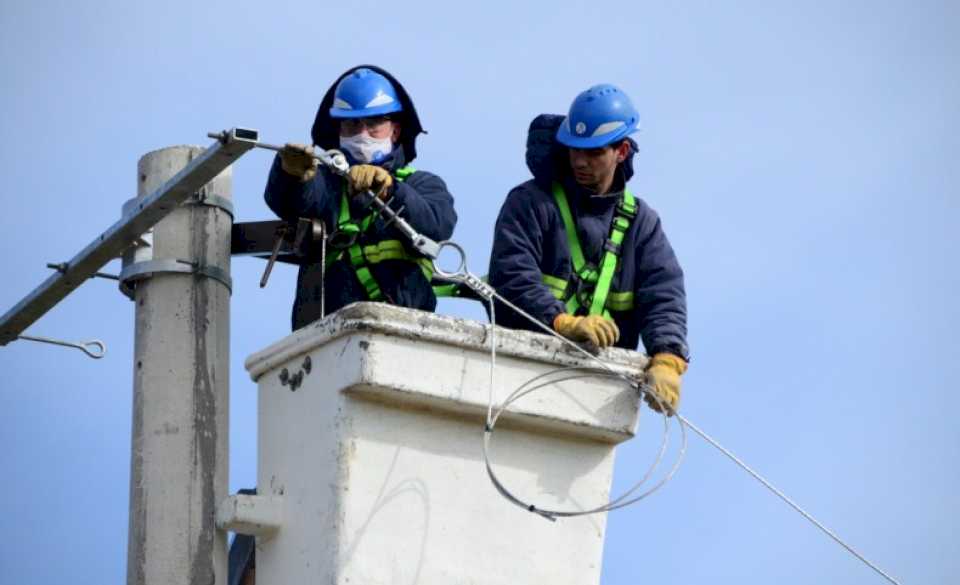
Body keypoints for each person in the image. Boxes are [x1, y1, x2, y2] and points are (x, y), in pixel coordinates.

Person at [487, 84, 689, 413]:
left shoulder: (641, 224)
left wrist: (667, 358)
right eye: (574, 148)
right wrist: (561, 321)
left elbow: (663, 293)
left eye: (593, 152)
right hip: (523, 373)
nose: (580, 161)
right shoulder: (531, 204)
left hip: (596, 390)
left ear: (621, 151)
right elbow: (511, 274)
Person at [264, 65, 457, 330]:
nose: (362, 134)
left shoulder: (422, 184)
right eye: (352, 124)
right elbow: (290, 202)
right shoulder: (326, 184)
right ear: (339, 131)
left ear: (395, 131)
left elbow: (436, 225)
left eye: (374, 124)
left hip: (405, 332)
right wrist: (291, 176)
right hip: (329, 338)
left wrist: (391, 189)